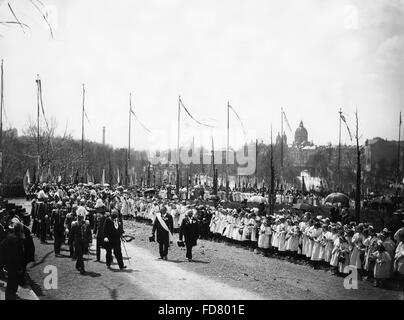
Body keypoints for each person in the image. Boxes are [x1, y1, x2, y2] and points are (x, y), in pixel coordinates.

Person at [0, 222, 26, 300]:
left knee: (11, 286)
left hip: (9, 265)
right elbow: (18, 255)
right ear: (20, 230)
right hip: (14, 266)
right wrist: (20, 267)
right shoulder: (17, 240)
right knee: (12, 286)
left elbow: (2, 249)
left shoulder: (9, 237)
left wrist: (3, 264)